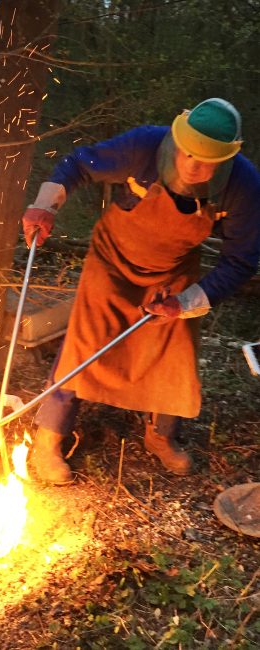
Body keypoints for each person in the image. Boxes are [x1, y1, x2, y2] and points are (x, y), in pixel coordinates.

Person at [22, 98, 260, 484]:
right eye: (186, 153)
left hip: (173, 272)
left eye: (207, 161)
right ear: (177, 138)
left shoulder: (243, 185)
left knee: (175, 352)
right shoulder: (144, 145)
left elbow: (241, 260)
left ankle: (162, 435)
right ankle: (47, 439)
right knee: (82, 345)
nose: (192, 166)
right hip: (112, 260)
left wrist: (184, 303)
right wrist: (44, 205)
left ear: (228, 158)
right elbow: (79, 164)